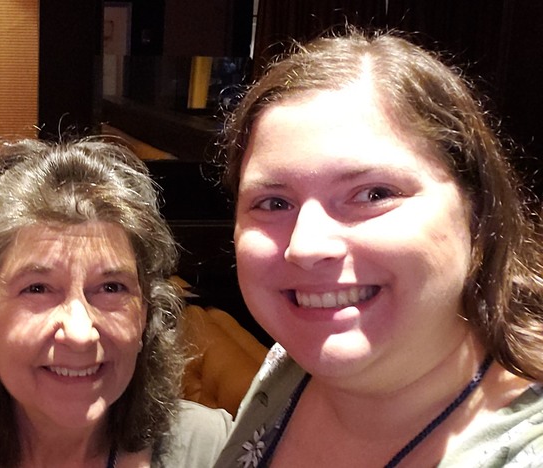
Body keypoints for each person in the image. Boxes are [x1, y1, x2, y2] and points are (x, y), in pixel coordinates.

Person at [215, 30, 543, 467]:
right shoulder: (289, 364)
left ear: (476, 211)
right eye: (274, 203)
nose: (306, 246)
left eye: (374, 194)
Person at [0, 138, 232, 467]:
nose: (80, 334)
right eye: (37, 288)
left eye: (111, 287)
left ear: (145, 311)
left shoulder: (215, 450)